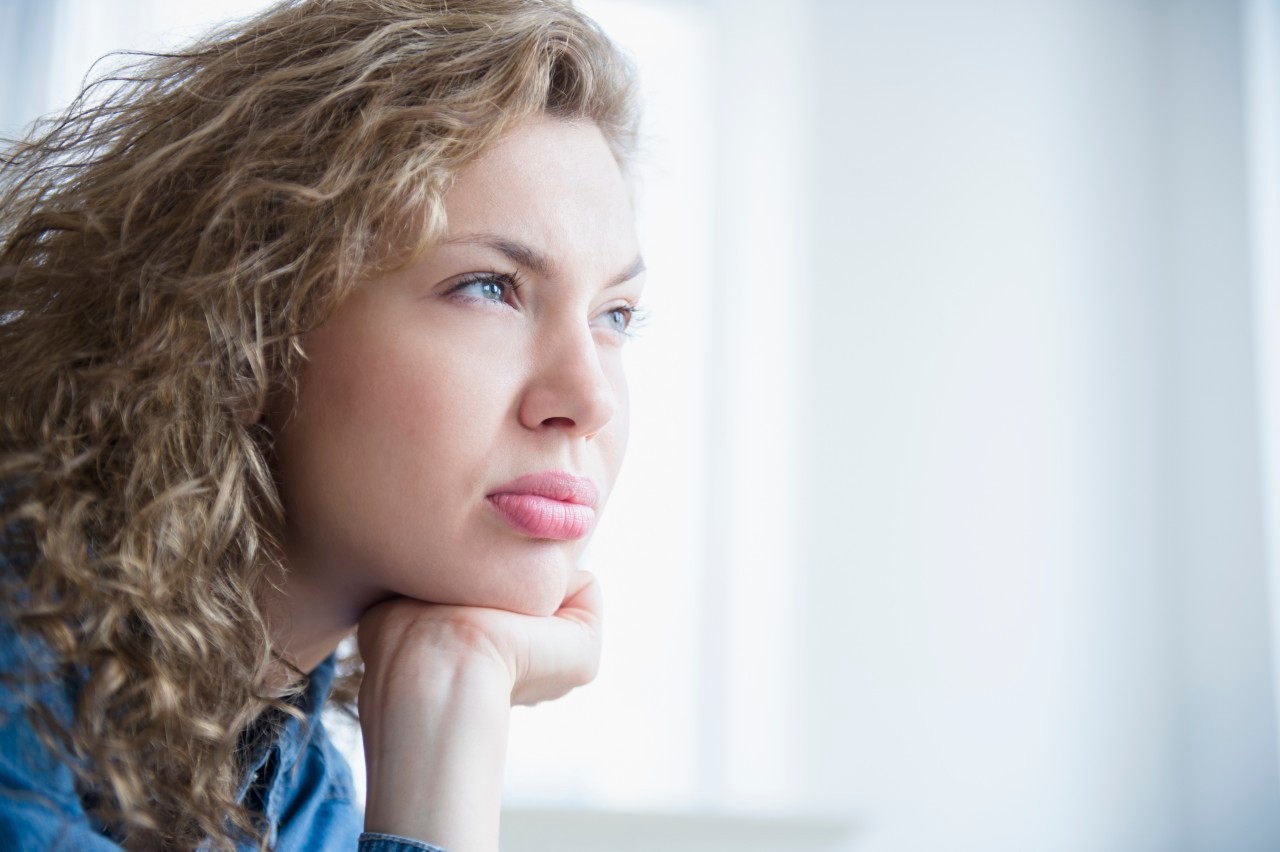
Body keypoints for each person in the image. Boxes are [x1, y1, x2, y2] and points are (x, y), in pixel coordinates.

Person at [0, 0, 644, 849]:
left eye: (616, 314)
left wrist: (453, 682)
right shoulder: (22, 683)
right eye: (489, 287)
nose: (588, 398)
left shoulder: (302, 794)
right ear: (251, 316)